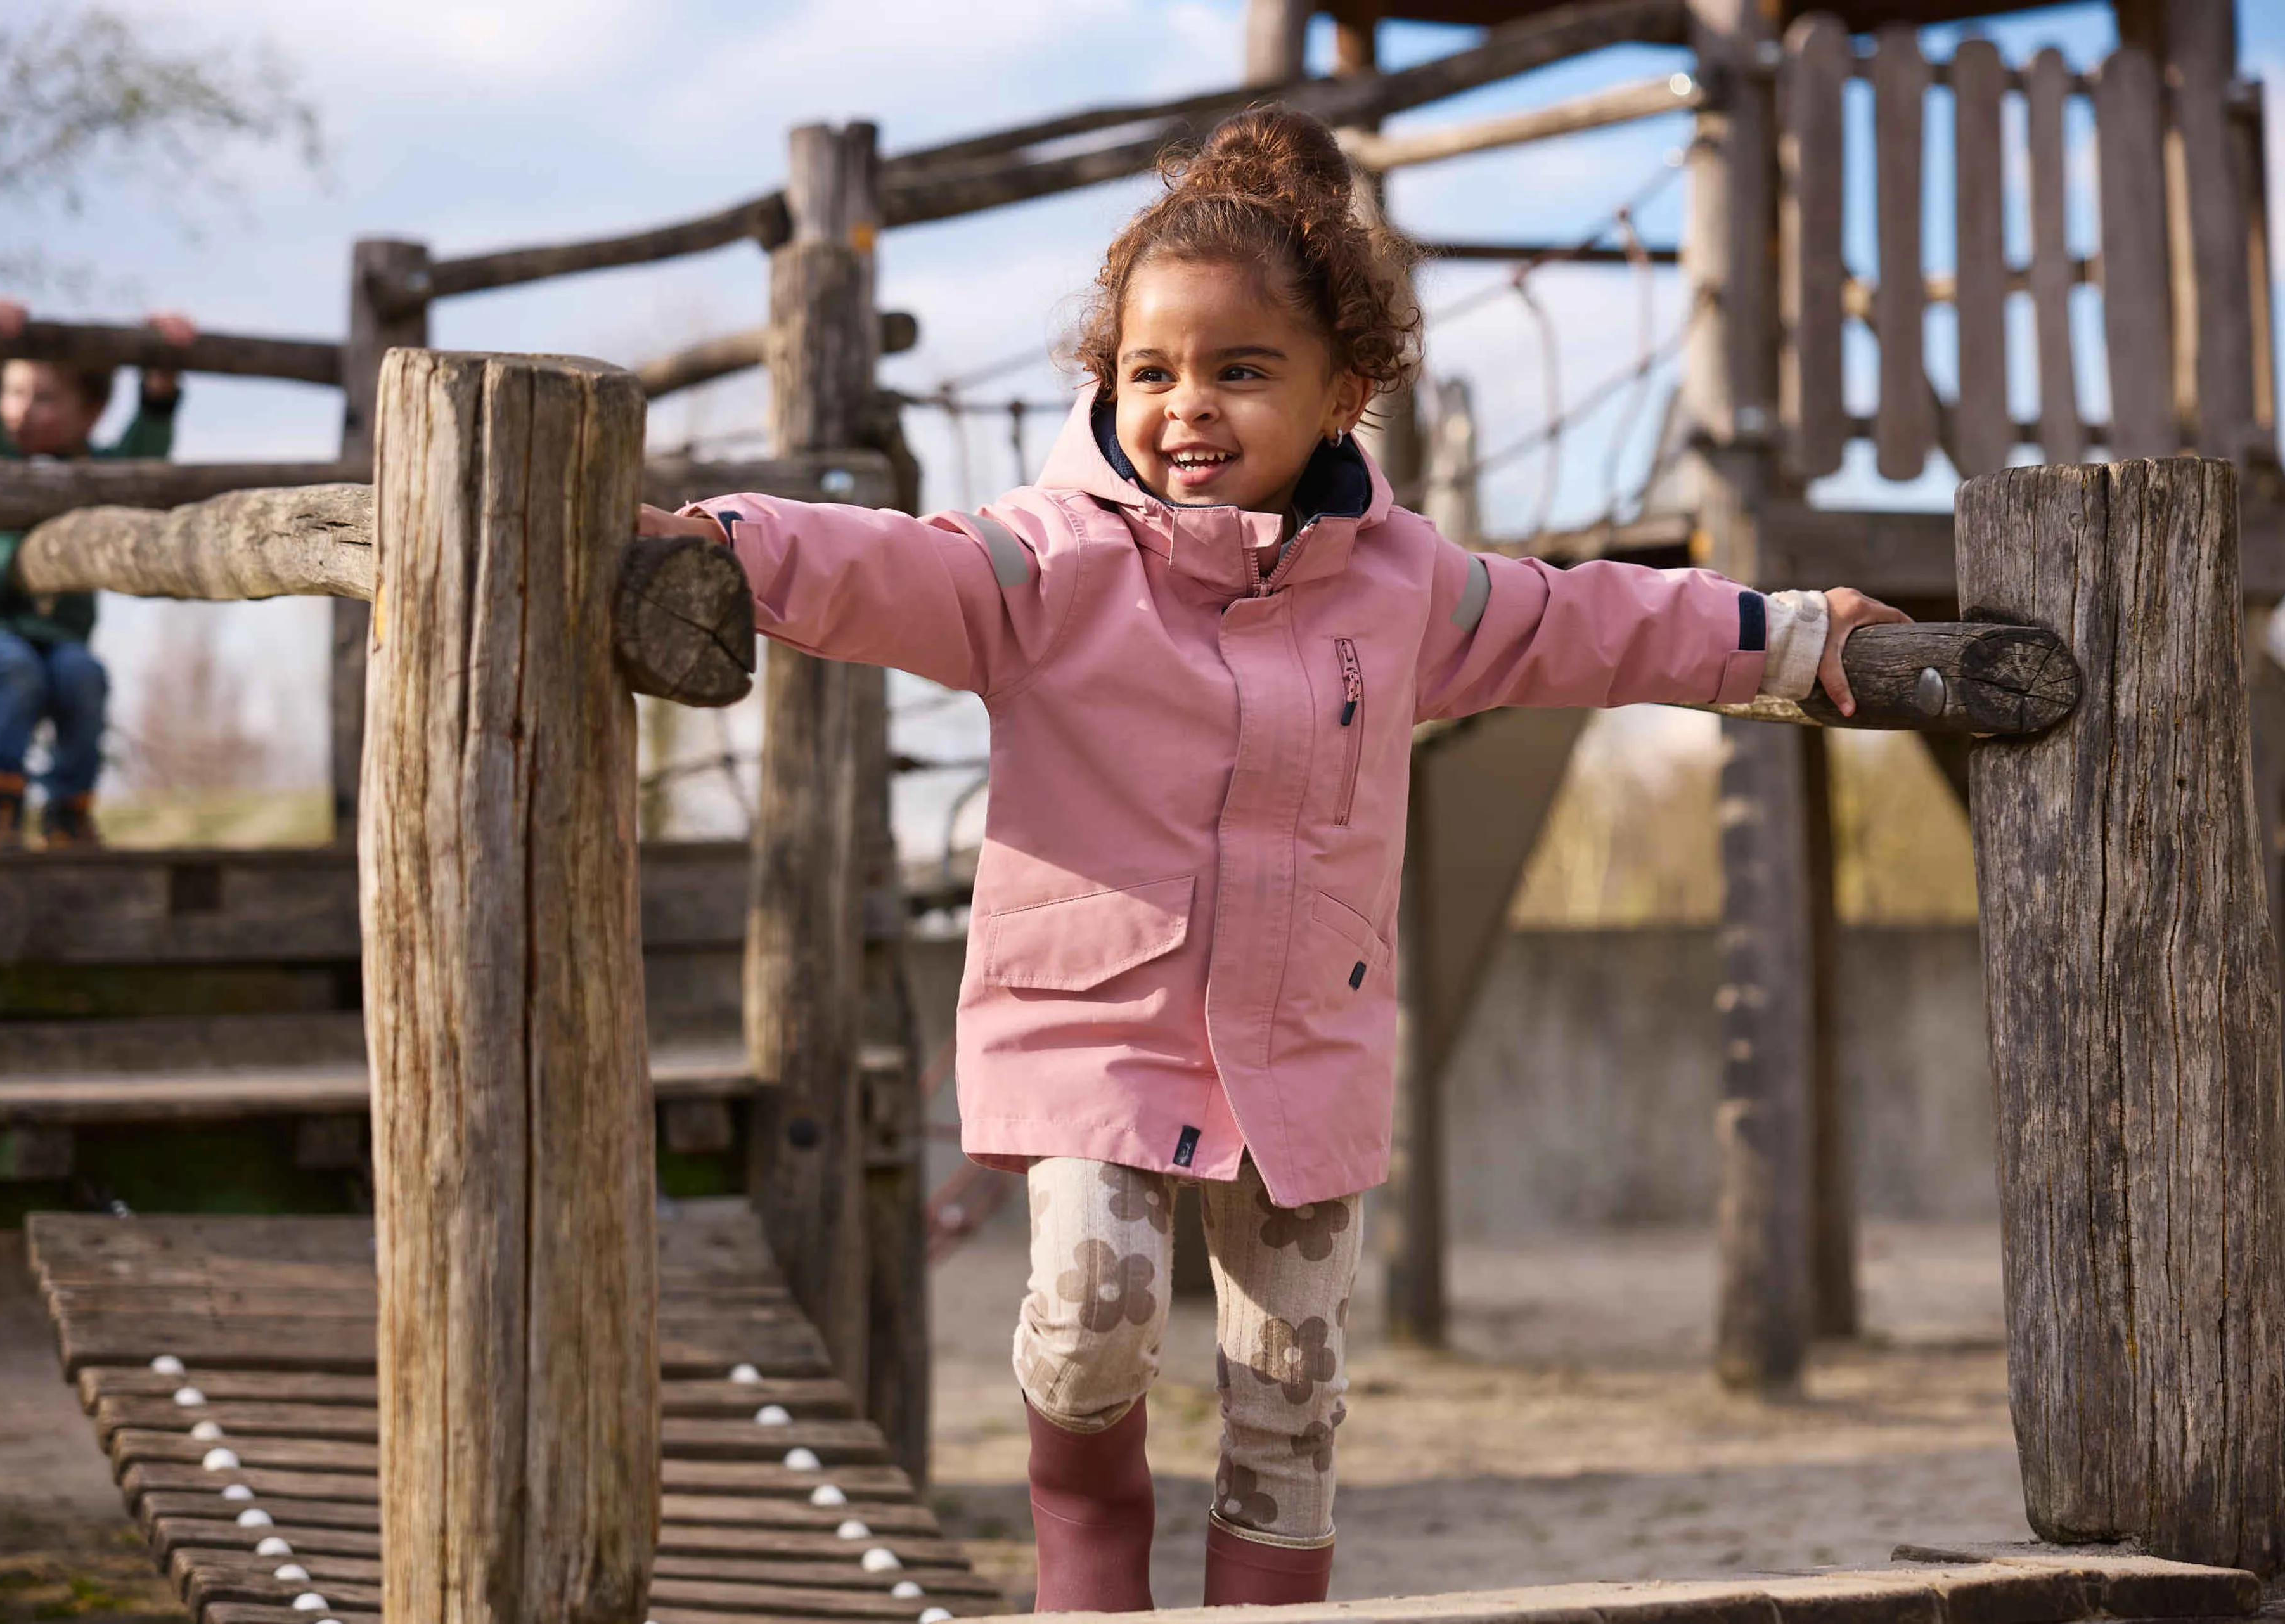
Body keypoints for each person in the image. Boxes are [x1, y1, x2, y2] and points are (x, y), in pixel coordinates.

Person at [640, 108, 1907, 1608]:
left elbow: (1593, 619)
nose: (1189, 406)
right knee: (1092, 1307)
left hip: (1301, 1033)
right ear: (1106, 383)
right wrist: (719, 540)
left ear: (1339, 396)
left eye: (1241, 371)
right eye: (1152, 370)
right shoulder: (1042, 567)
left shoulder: (1404, 588)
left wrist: (1791, 639)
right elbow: (878, 565)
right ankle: (1083, 1509)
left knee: (1288, 1389)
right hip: (1093, 1021)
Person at [0, 297, 198, 849]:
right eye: (14, 393)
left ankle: (69, 811)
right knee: (14, 670)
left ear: (91, 413)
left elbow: (145, 461)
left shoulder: (95, 472)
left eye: (44, 398)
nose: (21, 410)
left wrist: (160, 381)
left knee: (84, 677)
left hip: (62, 636)